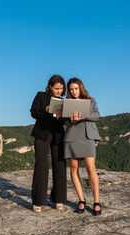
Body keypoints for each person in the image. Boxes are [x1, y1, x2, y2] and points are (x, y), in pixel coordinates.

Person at [64, 77, 102, 215]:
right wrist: (72, 120)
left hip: (87, 137)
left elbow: (97, 115)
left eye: (76, 88)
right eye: (71, 89)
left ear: (81, 87)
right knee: (74, 169)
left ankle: (96, 201)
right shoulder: (67, 103)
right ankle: (81, 200)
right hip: (72, 138)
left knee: (91, 169)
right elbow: (65, 123)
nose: (74, 91)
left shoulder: (91, 101)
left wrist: (83, 116)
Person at [30, 74, 67, 213]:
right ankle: (38, 201)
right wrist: (46, 111)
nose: (59, 91)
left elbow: (64, 121)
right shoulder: (40, 96)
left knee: (60, 165)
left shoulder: (63, 101)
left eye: (61, 89)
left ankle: (59, 199)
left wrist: (62, 117)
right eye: (56, 88)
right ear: (50, 87)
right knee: (41, 164)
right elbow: (33, 112)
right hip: (42, 133)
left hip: (58, 134)